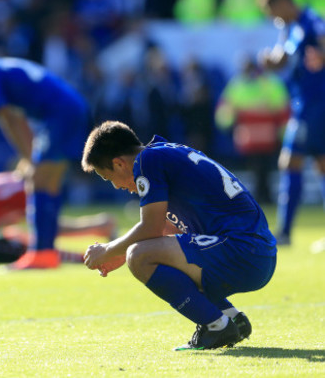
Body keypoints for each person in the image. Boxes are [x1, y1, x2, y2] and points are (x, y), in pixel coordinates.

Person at [81, 121, 277, 350]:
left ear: (119, 163)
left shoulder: (146, 161)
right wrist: (120, 252)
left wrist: (107, 250)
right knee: (141, 254)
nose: (116, 186)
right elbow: (164, 228)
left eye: (108, 177)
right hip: (255, 251)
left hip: (241, 249)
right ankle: (231, 318)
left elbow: (151, 228)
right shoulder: (165, 151)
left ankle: (216, 326)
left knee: (139, 256)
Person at [0, 48, 93, 270]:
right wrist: (31, 156)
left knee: (38, 182)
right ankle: (46, 251)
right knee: (49, 184)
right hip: (70, 108)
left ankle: (41, 253)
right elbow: (19, 115)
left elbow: (9, 119)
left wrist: (28, 158)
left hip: (58, 115)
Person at [257, 0, 325, 245]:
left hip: (316, 103)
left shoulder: (311, 20)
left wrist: (321, 56)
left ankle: (284, 232)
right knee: (320, 164)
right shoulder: (289, 28)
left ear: (284, 2)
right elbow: (282, 60)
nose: (274, 17)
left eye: (273, 10)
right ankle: (284, 232)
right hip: (304, 104)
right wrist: (270, 62)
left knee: (290, 161)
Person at [0, 171, 116, 263]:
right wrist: (96, 225)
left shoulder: (8, 182)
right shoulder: (22, 191)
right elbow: (47, 228)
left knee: (20, 238)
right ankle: (88, 258)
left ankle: (90, 256)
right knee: (37, 250)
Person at [215, 56, 289, 203]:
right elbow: (225, 112)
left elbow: (225, 112)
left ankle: (262, 196)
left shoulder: (239, 85)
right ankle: (263, 196)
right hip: (255, 136)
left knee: (261, 168)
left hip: (258, 135)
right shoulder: (267, 83)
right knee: (259, 168)